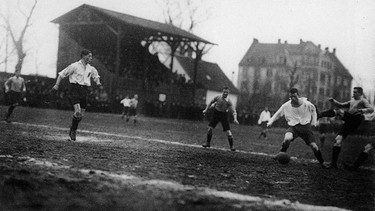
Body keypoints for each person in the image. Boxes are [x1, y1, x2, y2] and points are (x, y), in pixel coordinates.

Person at [267, 88, 328, 168]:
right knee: (287, 139)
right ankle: (280, 154)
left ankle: (322, 163)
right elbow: (278, 113)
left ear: (298, 95)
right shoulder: (286, 105)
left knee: (314, 146)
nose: (293, 98)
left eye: (294, 96)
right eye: (291, 97)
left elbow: (313, 110)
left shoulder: (307, 104)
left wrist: (314, 121)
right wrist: (270, 122)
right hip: (294, 127)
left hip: (306, 128)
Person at [318, 87, 374, 169]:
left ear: (360, 93)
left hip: (356, 119)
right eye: (353, 92)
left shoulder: (363, 100)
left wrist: (362, 110)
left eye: (355, 92)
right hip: (349, 122)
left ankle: (320, 114)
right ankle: (334, 163)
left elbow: (371, 109)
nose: (353, 93)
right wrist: (334, 101)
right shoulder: (352, 100)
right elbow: (341, 105)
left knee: (338, 111)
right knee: (338, 140)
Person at [52, 49, 102, 141]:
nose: (91, 58)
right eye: (89, 56)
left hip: (85, 90)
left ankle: (72, 127)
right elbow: (61, 74)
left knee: (80, 115)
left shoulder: (91, 68)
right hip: (75, 89)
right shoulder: (74, 66)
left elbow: (96, 76)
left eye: (91, 56)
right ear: (83, 56)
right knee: (78, 111)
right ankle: (73, 131)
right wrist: (56, 85)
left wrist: (98, 83)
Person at [202, 86, 239, 151]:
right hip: (216, 114)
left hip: (224, 115)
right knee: (210, 128)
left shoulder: (228, 101)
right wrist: (206, 110)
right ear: (222, 91)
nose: (225, 93)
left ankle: (232, 146)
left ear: (228, 93)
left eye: (226, 92)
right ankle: (208, 143)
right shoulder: (218, 97)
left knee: (228, 132)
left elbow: (234, 110)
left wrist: (235, 118)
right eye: (224, 92)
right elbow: (210, 102)